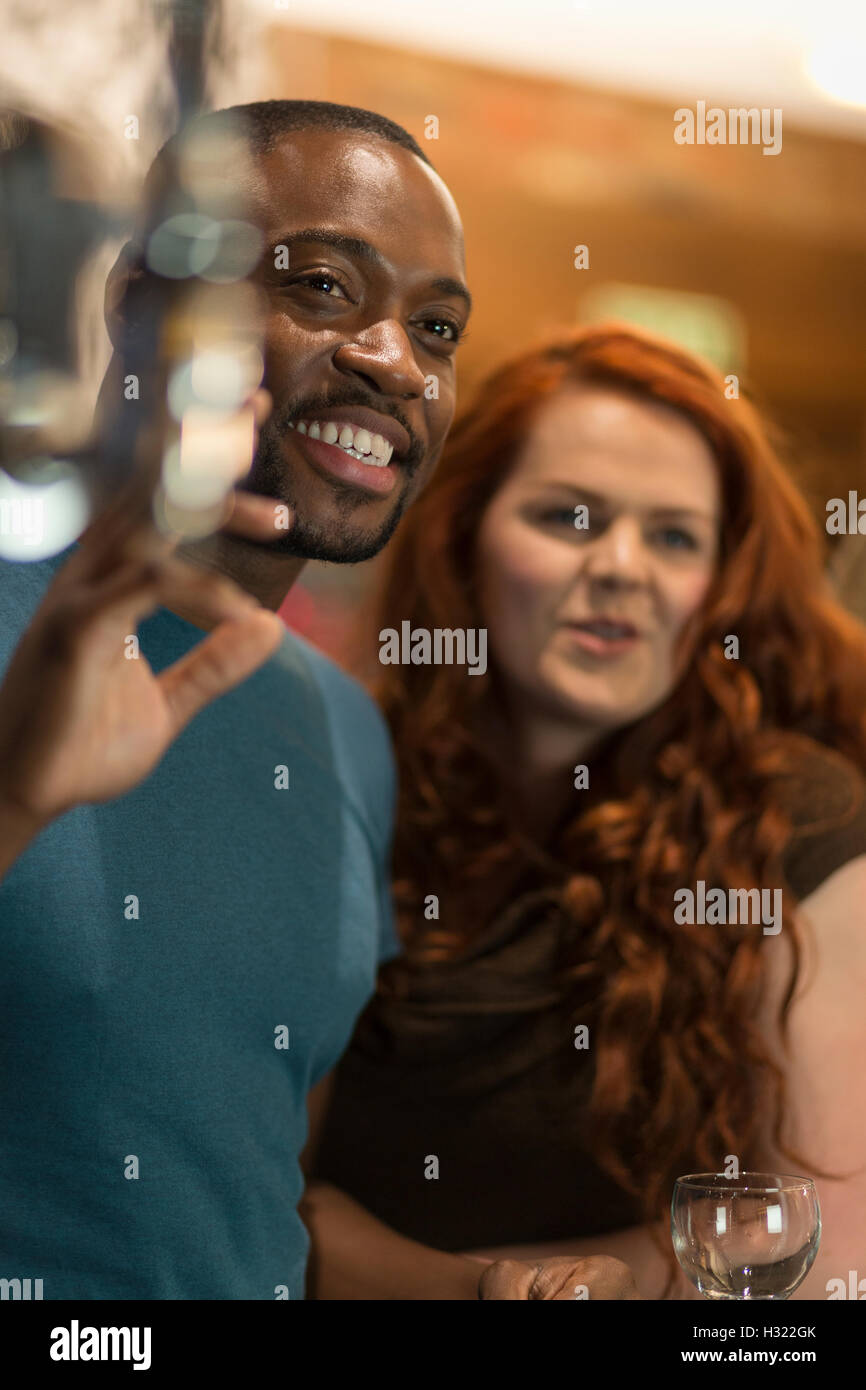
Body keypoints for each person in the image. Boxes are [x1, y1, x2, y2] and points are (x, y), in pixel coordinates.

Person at [0, 100, 637, 1302]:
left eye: (437, 328)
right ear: (142, 302)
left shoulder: (341, 734)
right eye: (324, 287)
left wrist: (485, 1289)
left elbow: (261, 1187)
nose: (394, 361)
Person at [308, 323, 866, 1300]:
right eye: (567, 517)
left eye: (672, 535)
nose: (620, 566)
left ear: (716, 585)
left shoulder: (797, 817)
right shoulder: (343, 778)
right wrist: (490, 1293)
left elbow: (818, 1247)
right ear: (463, 534)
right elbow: (266, 1191)